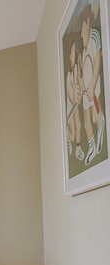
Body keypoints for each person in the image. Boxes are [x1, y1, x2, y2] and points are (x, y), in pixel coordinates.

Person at [79, 3, 106, 165]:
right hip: (86, 90)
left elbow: (97, 59)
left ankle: (101, 124)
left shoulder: (94, 35)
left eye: (83, 25)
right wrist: (82, 86)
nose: (82, 30)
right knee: (85, 119)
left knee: (95, 116)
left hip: (93, 86)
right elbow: (82, 74)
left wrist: (92, 84)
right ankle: (91, 147)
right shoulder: (83, 51)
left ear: (87, 23)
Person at [66, 35, 84, 161]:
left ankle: (78, 148)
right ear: (69, 55)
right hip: (69, 110)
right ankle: (69, 138)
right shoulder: (68, 75)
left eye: (74, 51)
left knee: (79, 126)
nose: (73, 54)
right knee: (72, 134)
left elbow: (79, 79)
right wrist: (76, 95)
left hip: (75, 107)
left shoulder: (76, 69)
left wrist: (79, 58)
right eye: (72, 52)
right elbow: (71, 96)